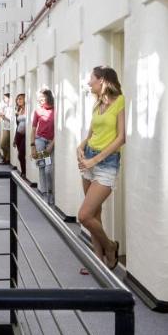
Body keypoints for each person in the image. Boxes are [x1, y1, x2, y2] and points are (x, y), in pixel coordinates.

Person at [76, 66, 125, 274]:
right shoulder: (97, 104)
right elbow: (92, 132)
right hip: (88, 158)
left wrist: (94, 160)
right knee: (95, 213)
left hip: (105, 163)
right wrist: (81, 145)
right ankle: (98, 262)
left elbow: (121, 138)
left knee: (84, 216)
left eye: (92, 79)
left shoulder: (120, 101)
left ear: (103, 81)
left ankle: (110, 247)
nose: (89, 83)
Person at [31, 89, 55, 207]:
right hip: (40, 141)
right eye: (38, 99)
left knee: (48, 170)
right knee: (42, 167)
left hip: (50, 142)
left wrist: (52, 144)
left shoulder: (55, 110)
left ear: (48, 98)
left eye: (42, 99)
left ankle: (50, 193)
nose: (40, 101)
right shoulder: (38, 111)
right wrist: (32, 147)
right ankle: (44, 194)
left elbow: (58, 130)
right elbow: (33, 129)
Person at [13, 93, 28, 177]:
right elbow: (17, 125)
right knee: (20, 155)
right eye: (18, 99)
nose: (19, 100)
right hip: (19, 134)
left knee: (21, 154)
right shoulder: (18, 110)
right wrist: (15, 138)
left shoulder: (28, 109)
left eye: (21, 99)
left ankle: (25, 172)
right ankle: (23, 172)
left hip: (25, 135)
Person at [0, 92, 14, 164]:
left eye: (5, 97)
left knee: (3, 145)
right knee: (5, 145)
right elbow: (6, 118)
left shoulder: (11, 107)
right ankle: (6, 159)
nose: (4, 99)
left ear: (9, 98)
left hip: (10, 128)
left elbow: (11, 119)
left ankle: (7, 159)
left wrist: (4, 117)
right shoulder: (6, 107)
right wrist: (2, 117)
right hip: (5, 127)